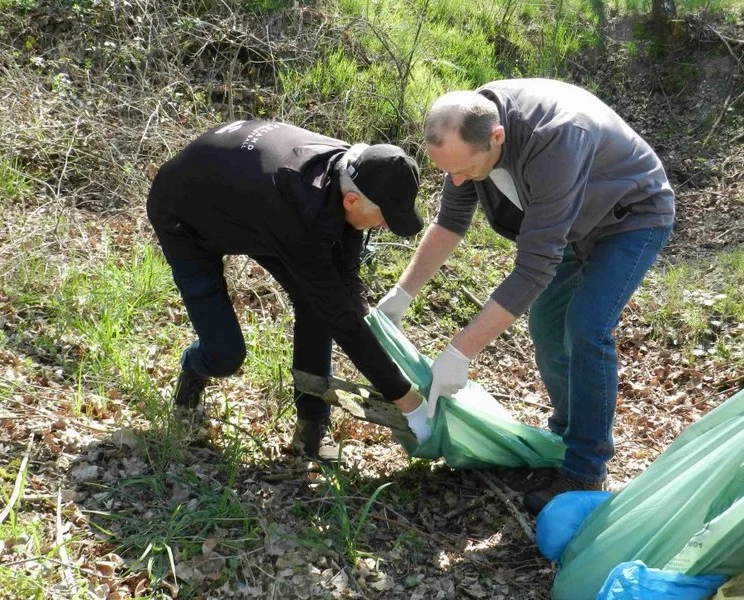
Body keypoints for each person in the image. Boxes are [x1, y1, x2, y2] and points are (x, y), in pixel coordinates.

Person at [376, 79, 675, 513]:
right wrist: (401, 296)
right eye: (448, 170)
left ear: (497, 137)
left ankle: (586, 471)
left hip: (629, 218)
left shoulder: (557, 137)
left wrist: (460, 352)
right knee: (547, 328)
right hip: (570, 228)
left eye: (463, 170)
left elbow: (535, 266)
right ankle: (565, 439)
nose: (456, 180)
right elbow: (450, 222)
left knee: (587, 329)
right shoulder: (471, 125)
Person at [147, 119, 431, 459]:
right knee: (226, 355)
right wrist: (407, 401)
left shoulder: (349, 172)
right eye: (384, 218)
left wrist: (378, 330)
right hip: (184, 216)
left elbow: (346, 283)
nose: (385, 226)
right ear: (352, 201)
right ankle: (194, 370)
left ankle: (310, 429)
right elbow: (338, 314)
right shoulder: (303, 208)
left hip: (247, 200)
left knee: (317, 306)